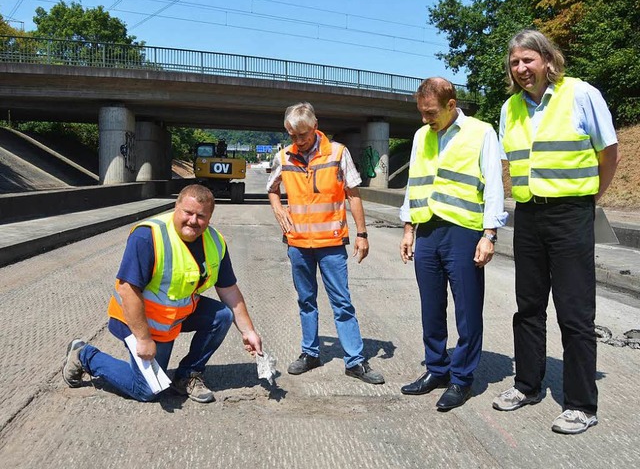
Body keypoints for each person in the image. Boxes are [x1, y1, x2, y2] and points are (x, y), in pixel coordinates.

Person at [492, 29, 620, 434]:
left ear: (548, 59)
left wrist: (591, 197)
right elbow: (507, 163)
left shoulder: (581, 94)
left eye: (527, 60)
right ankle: (527, 385)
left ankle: (581, 404)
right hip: (528, 214)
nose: (521, 68)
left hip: (571, 213)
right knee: (527, 306)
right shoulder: (509, 108)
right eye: (514, 62)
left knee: (574, 311)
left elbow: (609, 150)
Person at [62, 184, 263, 403]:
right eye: (188, 213)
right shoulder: (148, 236)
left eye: (201, 216)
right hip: (138, 320)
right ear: (176, 207)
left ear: (210, 217)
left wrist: (248, 331)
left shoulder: (215, 242)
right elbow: (128, 290)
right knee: (147, 390)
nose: (193, 221)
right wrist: (143, 338)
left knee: (223, 315)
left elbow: (229, 289)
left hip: (173, 317)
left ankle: (187, 375)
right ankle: (85, 355)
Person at [399, 77, 507, 410]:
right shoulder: (421, 136)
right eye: (421, 112)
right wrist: (407, 227)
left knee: (467, 309)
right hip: (428, 231)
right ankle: (436, 369)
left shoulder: (481, 132)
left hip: (463, 231)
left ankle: (461, 379)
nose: (424, 119)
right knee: (431, 307)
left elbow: (494, 186)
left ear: (451, 105)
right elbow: (414, 180)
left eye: (430, 112)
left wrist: (489, 234)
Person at [266, 102, 384, 385]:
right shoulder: (283, 157)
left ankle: (354, 360)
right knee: (306, 300)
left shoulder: (337, 153)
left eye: (303, 135)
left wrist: (362, 234)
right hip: (298, 244)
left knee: (342, 302)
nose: (298, 141)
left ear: (315, 127)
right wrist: (279, 209)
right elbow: (272, 188)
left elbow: (353, 194)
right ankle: (310, 353)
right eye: (293, 135)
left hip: (331, 243)